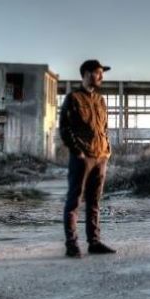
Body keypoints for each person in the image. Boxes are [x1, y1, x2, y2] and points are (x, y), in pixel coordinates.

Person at [59, 59, 116, 258]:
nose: (101, 76)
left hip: (101, 157)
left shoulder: (100, 100)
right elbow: (64, 129)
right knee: (74, 201)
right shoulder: (73, 98)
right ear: (86, 74)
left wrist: (107, 150)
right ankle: (72, 245)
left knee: (94, 202)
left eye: (102, 73)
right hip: (83, 158)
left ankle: (94, 242)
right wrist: (78, 152)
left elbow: (104, 128)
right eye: (98, 72)